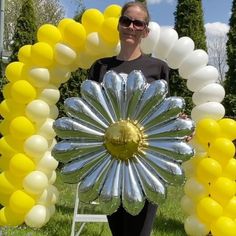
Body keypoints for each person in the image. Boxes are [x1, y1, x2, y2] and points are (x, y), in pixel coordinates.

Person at [88, 2, 169, 236]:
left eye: (137, 23)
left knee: (139, 232)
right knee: (118, 231)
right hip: (109, 163)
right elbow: (92, 112)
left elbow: (164, 114)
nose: (131, 27)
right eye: (126, 21)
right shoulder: (101, 67)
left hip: (145, 165)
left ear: (145, 31)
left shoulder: (158, 68)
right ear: (119, 24)